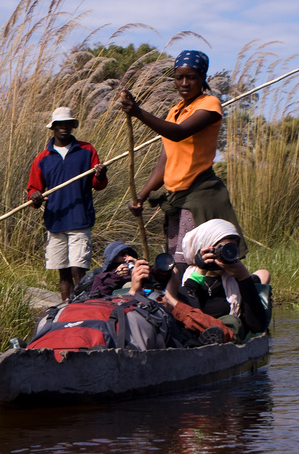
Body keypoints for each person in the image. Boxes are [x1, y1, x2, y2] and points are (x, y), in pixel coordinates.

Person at [118, 49, 244, 289]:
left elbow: (178, 134)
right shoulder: (174, 111)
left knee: (198, 260)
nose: (184, 83)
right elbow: (165, 162)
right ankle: (181, 306)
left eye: (192, 77)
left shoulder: (209, 105)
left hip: (200, 195)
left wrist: (138, 112)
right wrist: (141, 197)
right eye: (179, 77)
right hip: (177, 197)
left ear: (202, 77)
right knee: (176, 260)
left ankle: (204, 306)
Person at [27, 107, 108, 301]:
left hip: (80, 218)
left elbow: (98, 185)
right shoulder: (42, 158)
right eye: (59, 125)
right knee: (63, 271)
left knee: (78, 268)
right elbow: (33, 190)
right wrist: (35, 197)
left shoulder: (87, 150)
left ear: (72, 126)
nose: (63, 128)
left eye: (67, 125)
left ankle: (82, 308)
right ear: (53, 128)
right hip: (55, 221)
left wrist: (101, 174)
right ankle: (66, 308)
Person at [176, 219, 271, 341]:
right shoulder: (184, 275)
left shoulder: (236, 279)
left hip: (226, 340)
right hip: (193, 338)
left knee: (232, 321)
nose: (226, 254)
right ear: (203, 248)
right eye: (220, 249)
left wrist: (244, 278)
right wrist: (200, 272)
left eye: (231, 250)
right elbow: (180, 313)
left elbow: (257, 326)